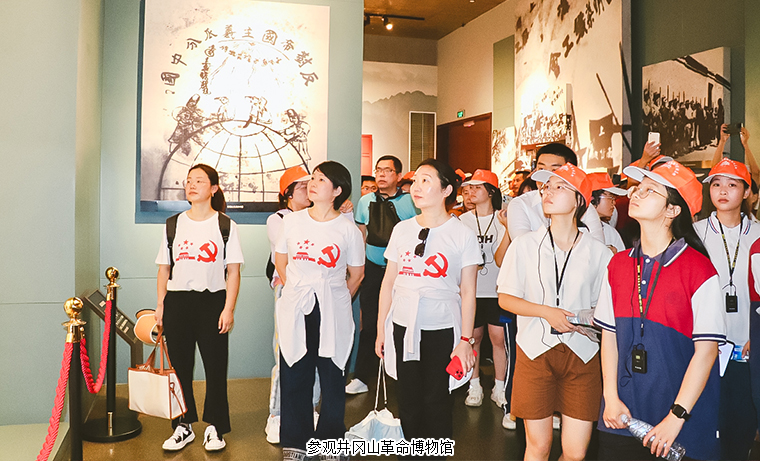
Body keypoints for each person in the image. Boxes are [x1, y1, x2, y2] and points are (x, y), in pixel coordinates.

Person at [594, 160, 726, 461]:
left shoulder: (699, 269)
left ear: (672, 210)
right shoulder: (618, 264)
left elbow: (706, 352)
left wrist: (676, 417)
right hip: (620, 415)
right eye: (638, 189)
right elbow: (609, 337)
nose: (636, 194)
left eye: (650, 190)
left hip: (682, 422)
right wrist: (610, 397)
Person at [498, 163, 612, 461]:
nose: (548, 192)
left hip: (583, 352)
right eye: (546, 187)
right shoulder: (524, 244)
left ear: (579, 200)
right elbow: (506, 298)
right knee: (538, 447)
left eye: (559, 187)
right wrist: (546, 312)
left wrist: (587, 317)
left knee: (575, 453)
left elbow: (604, 307)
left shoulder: (599, 252)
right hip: (534, 350)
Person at [375, 158, 479, 455]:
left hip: (442, 328)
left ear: (446, 190)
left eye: (426, 180)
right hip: (402, 325)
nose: (416, 187)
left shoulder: (462, 233)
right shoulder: (402, 229)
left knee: (437, 401)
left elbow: (468, 291)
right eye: (415, 180)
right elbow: (388, 282)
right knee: (407, 400)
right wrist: (381, 329)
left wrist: (465, 340)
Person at [274, 161, 365, 461]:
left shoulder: (348, 229)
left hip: (333, 309)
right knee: (294, 373)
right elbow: (281, 261)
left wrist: (337, 299)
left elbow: (357, 273)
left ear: (338, 190)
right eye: (313, 178)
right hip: (298, 307)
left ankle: (331, 442)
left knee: (332, 375)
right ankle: (296, 442)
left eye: (321, 180)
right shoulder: (292, 222)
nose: (312, 183)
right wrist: (296, 291)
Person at [155, 164, 244, 452]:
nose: (191, 185)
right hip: (177, 302)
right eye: (188, 181)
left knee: (215, 367)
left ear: (214, 188)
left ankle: (215, 426)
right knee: (179, 368)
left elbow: (233, 272)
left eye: (199, 181)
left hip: (212, 302)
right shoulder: (173, 224)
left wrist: (228, 309)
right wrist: (160, 306)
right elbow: (164, 269)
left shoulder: (225, 225)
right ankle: (183, 425)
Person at [693, 158, 760, 460]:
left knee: (741, 427)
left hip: (747, 347)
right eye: (716, 184)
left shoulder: (758, 234)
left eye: (732, 185)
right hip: (704, 347)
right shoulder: (693, 234)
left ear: (747, 192)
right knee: (704, 427)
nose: (722, 190)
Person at [348, 155, 417, 395]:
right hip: (372, 268)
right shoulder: (365, 201)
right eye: (378, 170)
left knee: (402, 323)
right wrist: (359, 267)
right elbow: (361, 234)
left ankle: (401, 377)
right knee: (369, 324)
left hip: (402, 271)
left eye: (388, 170)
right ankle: (362, 376)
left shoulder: (411, 202)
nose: (381, 174)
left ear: (398, 176)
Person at [264, 166, 320, 445]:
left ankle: (310, 408)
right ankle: (277, 414)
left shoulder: (319, 217)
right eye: (302, 187)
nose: (309, 190)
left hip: (317, 291)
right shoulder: (278, 219)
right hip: (288, 290)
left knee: (316, 352)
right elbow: (288, 253)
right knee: (285, 351)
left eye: (312, 185)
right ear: (287, 193)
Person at [458, 170, 515, 429]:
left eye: (476, 188)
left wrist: (507, 228)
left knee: (498, 339)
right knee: (472, 338)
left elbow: (502, 258)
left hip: (497, 289)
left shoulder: (503, 218)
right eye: (467, 189)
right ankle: (474, 384)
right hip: (471, 290)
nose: (470, 192)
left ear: (491, 192)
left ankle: (499, 386)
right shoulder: (462, 221)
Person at [507, 143, 604, 243]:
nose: (547, 177)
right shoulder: (521, 204)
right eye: (541, 169)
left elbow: (597, 245)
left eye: (555, 170)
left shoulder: (582, 206)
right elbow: (522, 246)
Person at [588, 172, 627, 253]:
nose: (614, 202)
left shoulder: (610, 231)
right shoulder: (576, 229)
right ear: (592, 199)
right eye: (610, 197)